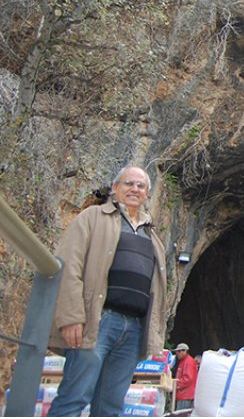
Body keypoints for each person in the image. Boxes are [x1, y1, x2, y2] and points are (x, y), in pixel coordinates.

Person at [47, 165, 167, 417]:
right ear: (115, 188)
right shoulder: (93, 218)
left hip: (134, 329)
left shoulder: (152, 235)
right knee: (74, 397)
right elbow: (68, 266)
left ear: (147, 193)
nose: (135, 189)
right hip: (98, 320)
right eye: (128, 183)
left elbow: (158, 290)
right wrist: (71, 317)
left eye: (141, 185)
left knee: (111, 405)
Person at [174, 343, 198, 410]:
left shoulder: (188, 362)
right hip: (184, 395)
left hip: (185, 396)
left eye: (178, 351)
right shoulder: (184, 361)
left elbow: (188, 379)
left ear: (184, 351)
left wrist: (175, 384)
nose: (177, 353)